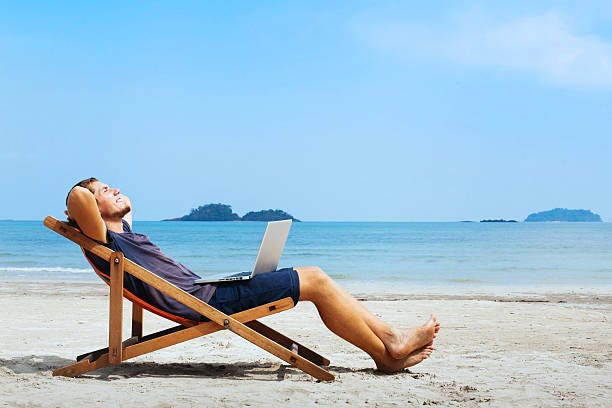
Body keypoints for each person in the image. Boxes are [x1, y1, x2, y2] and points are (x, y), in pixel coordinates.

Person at [65, 177, 440, 373]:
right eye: (103, 190)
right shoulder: (104, 238)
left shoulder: (124, 231)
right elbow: (80, 200)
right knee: (315, 279)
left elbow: (126, 205)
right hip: (205, 302)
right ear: (88, 211)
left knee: (311, 276)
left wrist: (107, 194)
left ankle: (389, 346)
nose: (114, 190)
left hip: (207, 291)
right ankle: (389, 346)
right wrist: (86, 194)